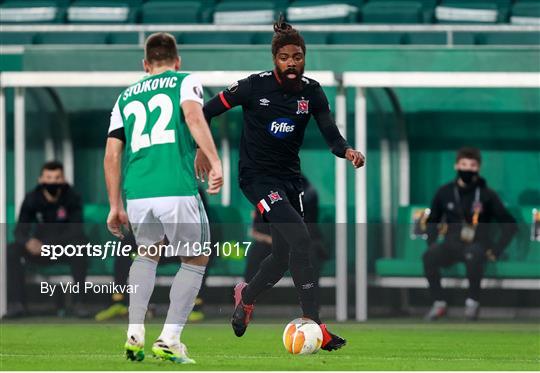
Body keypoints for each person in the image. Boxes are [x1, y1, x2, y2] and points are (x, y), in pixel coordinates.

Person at [201, 17, 364, 351]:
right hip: (257, 179)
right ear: (275, 59)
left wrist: (347, 150)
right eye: (285, 57)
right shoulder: (252, 87)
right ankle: (317, 323)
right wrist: (203, 153)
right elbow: (205, 112)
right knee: (302, 239)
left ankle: (245, 299)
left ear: (305, 58)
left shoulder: (312, 92)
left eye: (298, 57)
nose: (292, 63)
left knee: (282, 254)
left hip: (291, 181)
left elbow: (330, 132)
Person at [104, 32, 223, 364]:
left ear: (145, 64)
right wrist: (214, 160)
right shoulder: (184, 81)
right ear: (177, 60)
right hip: (175, 186)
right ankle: (169, 338)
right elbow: (194, 116)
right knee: (196, 257)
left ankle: (134, 331)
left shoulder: (125, 97)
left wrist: (115, 205)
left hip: (138, 192)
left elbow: (112, 155)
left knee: (146, 255)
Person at [423, 147, 517, 321]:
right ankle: (439, 303)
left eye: (472, 165)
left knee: (473, 254)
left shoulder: (487, 195)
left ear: (478, 168)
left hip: (477, 244)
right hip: (451, 244)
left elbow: (510, 224)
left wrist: (496, 250)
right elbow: (433, 221)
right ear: (456, 166)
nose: (467, 169)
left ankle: (472, 304)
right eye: (463, 164)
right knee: (429, 255)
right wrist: (432, 242)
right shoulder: (444, 192)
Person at [6, 161, 88, 318]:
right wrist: (28, 242)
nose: (53, 182)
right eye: (49, 177)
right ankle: (17, 304)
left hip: (63, 249)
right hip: (38, 252)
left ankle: (79, 303)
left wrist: (48, 244)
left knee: (80, 246)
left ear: (63, 180)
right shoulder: (31, 199)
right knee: (12, 250)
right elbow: (19, 231)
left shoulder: (72, 197)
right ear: (41, 180)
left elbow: (76, 230)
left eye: (57, 178)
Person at [245, 175, 328, 284]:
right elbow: (256, 230)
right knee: (257, 252)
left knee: (310, 253)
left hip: (300, 240)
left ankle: (310, 299)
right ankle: (247, 297)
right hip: (271, 241)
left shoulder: (307, 192)